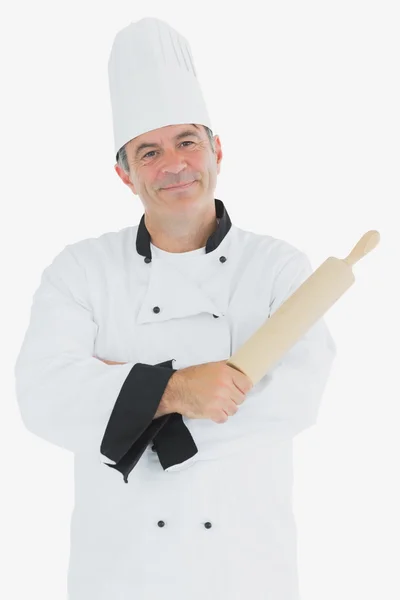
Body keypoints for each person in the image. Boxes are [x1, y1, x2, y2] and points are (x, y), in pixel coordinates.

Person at [14, 17, 337, 600]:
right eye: (149, 151)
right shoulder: (80, 270)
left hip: (246, 573)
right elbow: (43, 395)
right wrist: (179, 390)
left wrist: (125, 409)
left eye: (187, 141)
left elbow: (294, 399)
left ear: (216, 150)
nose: (174, 164)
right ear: (125, 174)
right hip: (117, 575)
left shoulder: (279, 269)